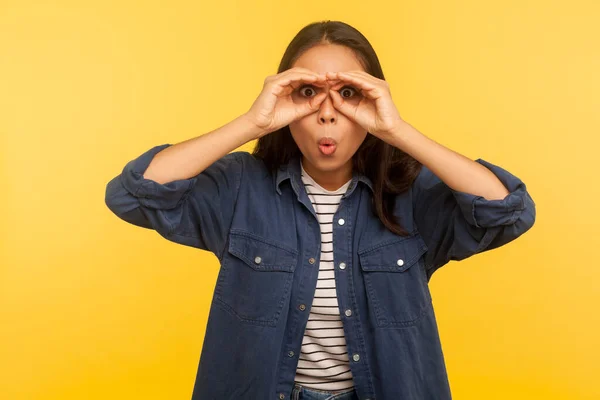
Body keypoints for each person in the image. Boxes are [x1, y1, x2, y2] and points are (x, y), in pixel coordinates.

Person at [105, 20, 536, 400]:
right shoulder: (241, 187)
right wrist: (253, 122)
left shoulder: (411, 195)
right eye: (308, 93)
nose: (327, 114)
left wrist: (396, 130)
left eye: (348, 94)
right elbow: (135, 193)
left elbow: (507, 211)